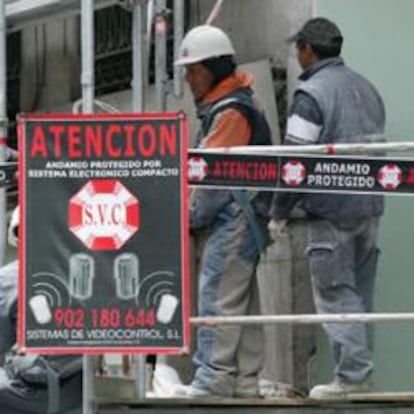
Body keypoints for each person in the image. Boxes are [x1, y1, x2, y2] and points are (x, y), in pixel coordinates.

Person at [270, 17, 386, 400]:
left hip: (332, 210)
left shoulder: (312, 94)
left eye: (297, 48)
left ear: (307, 49)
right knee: (360, 294)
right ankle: (359, 377)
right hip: (370, 207)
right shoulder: (367, 89)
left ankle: (352, 377)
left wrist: (279, 210)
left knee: (336, 292)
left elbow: (295, 160)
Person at [174, 25, 272, 398]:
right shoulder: (238, 102)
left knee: (218, 295)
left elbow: (209, 186)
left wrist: (183, 217)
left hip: (233, 219)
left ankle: (214, 377)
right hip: (249, 219)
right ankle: (245, 381)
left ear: (214, 68)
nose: (189, 79)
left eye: (193, 70)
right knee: (241, 299)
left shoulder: (230, 112)